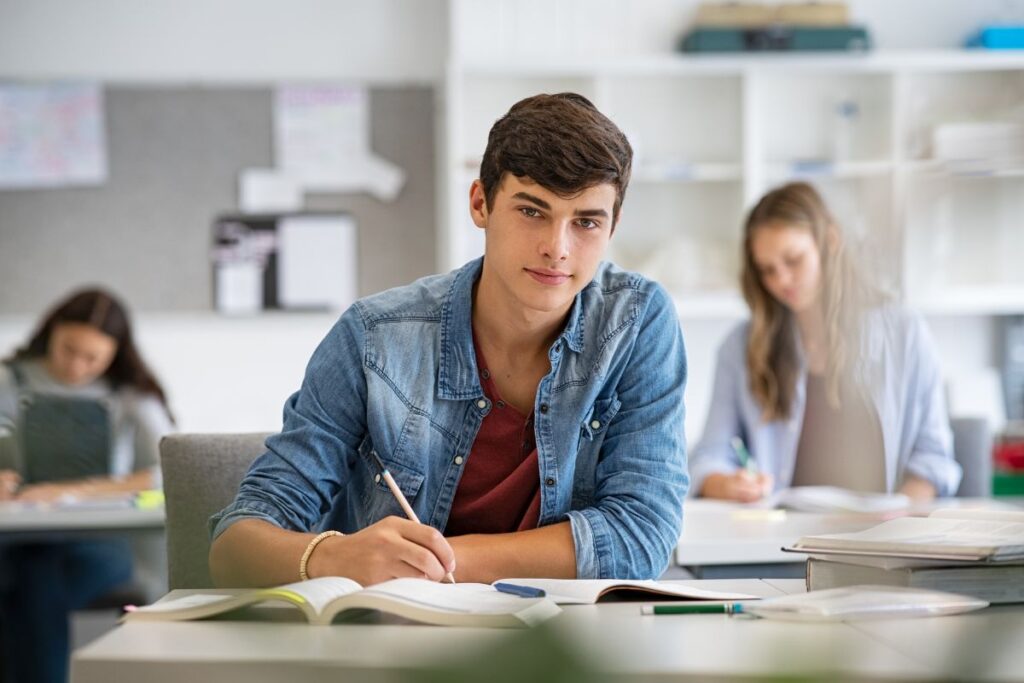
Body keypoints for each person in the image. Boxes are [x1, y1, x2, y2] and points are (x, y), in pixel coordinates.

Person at [209, 93, 688, 588]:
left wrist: (436, 564)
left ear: (613, 226)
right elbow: (234, 546)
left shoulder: (635, 322)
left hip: (565, 644)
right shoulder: (374, 339)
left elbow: (642, 537)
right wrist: (337, 558)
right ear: (480, 203)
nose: (557, 248)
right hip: (403, 645)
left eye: (586, 222)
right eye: (531, 211)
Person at [689, 182, 961, 503]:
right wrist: (726, 483)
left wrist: (896, 527)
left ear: (830, 241)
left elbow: (933, 460)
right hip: (779, 544)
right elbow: (708, 456)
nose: (781, 281)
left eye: (793, 260)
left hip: (883, 541)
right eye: (767, 271)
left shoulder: (905, 333)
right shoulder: (740, 346)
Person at [0, 288, 174, 683]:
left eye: (92, 358)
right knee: (29, 577)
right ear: (51, 334)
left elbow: (167, 465)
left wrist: (74, 491)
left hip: (96, 540)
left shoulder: (129, 391)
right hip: (17, 535)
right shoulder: (10, 379)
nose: (77, 367)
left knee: (39, 584)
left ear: (115, 353)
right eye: (68, 350)